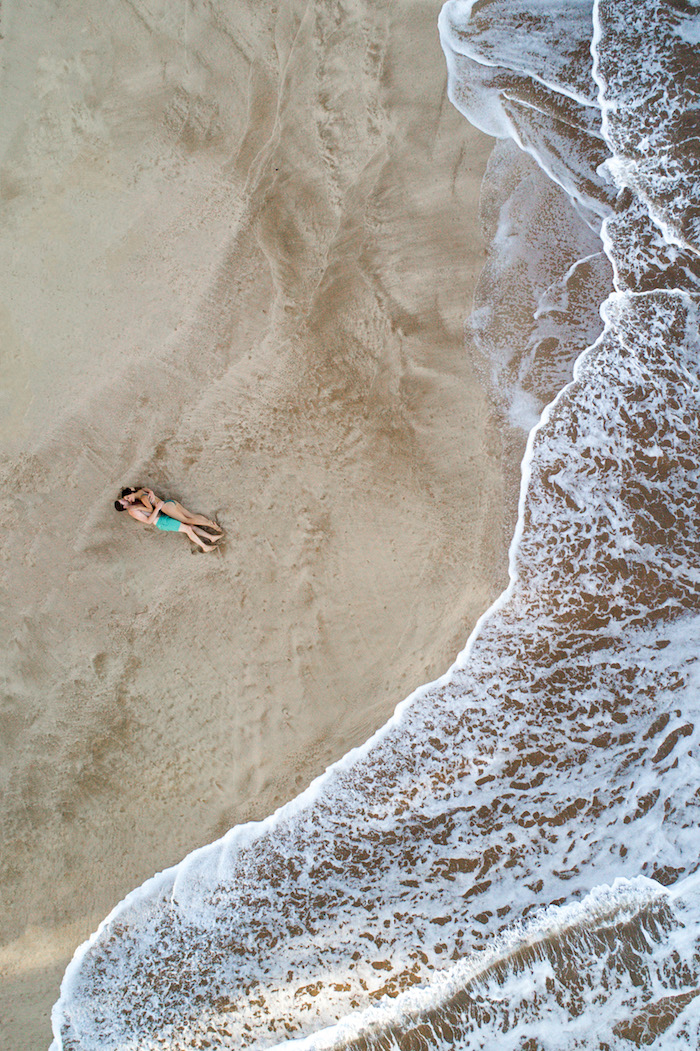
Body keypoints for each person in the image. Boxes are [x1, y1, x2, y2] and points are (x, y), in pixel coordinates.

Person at [115, 487, 223, 552]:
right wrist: (154, 504)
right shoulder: (133, 508)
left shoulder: (138, 499)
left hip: (164, 513)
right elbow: (148, 518)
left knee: (190, 522)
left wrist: (150, 493)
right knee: (189, 525)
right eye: (124, 500)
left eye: (126, 498)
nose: (127, 500)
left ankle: (211, 535)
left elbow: (144, 497)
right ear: (123, 506)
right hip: (162, 520)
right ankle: (205, 544)